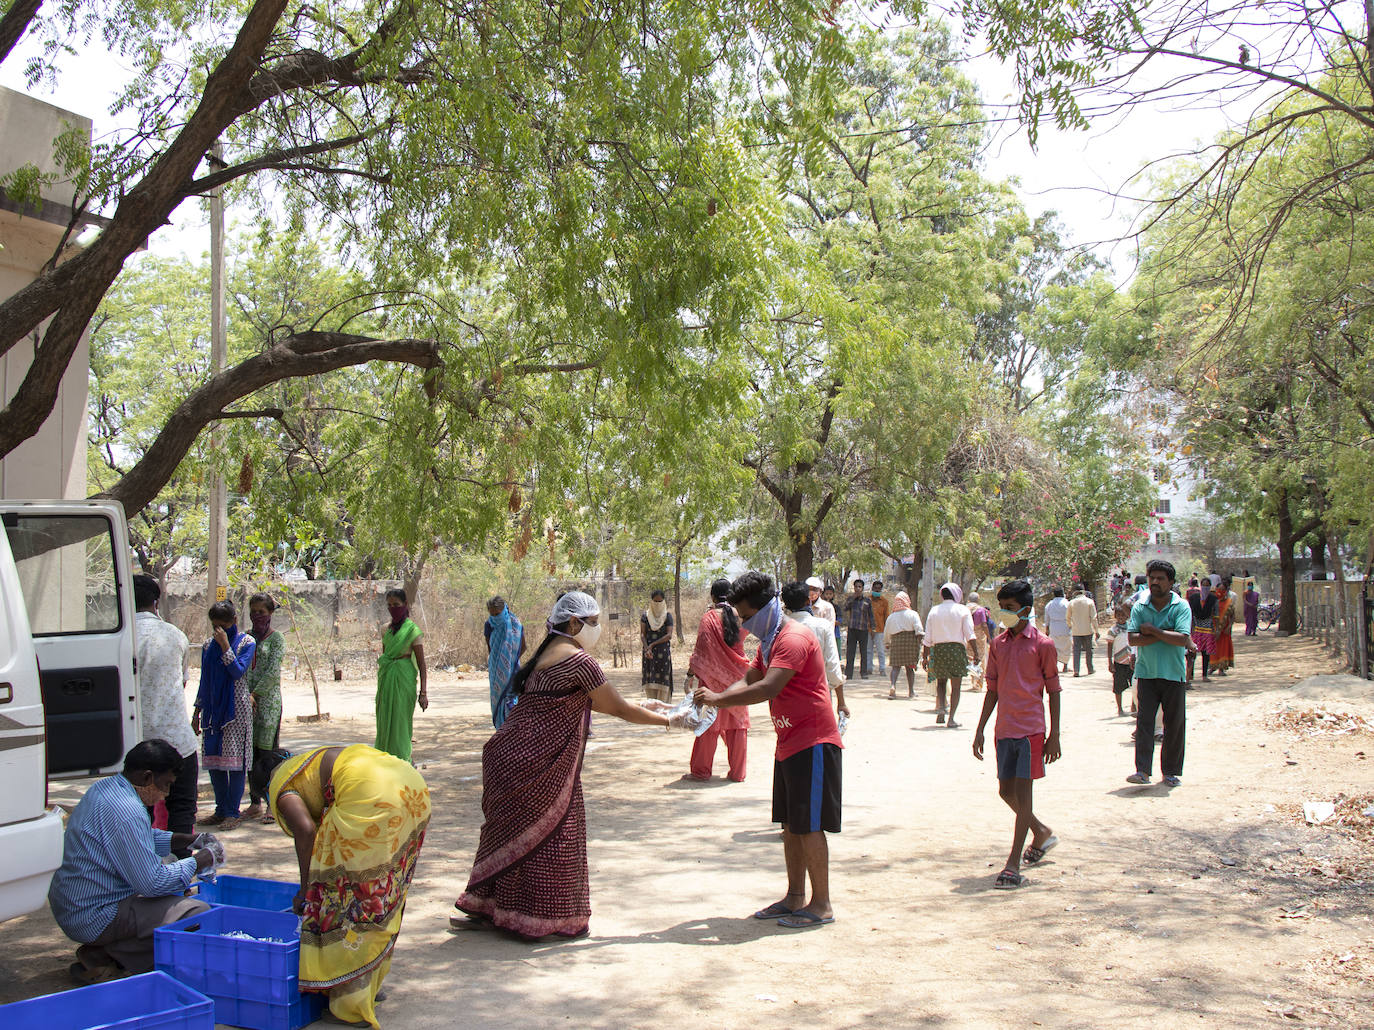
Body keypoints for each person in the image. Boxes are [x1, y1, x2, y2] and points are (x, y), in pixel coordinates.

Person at [455, 592, 689, 940]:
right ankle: (540, 918)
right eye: (592, 622)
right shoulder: (580, 661)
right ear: (575, 623)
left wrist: (652, 705)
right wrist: (670, 720)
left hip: (508, 755)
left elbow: (605, 702)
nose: (596, 628)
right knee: (554, 836)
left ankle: (493, 906)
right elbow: (619, 709)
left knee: (509, 835)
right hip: (534, 762)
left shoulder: (547, 652)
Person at [694, 572, 842, 929]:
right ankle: (794, 897)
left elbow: (769, 688)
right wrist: (716, 696)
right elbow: (751, 678)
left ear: (763, 608)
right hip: (789, 742)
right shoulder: (769, 641)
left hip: (814, 742)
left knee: (810, 826)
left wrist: (718, 697)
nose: (743, 623)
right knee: (791, 825)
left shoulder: (793, 637)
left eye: (746, 616)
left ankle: (821, 903)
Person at [269, 745, 431, 1029]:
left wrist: (305, 889)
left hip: (373, 797)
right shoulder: (306, 763)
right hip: (410, 788)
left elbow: (306, 831)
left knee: (346, 898)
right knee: (382, 894)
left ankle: (349, 1005)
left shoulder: (283, 789)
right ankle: (368, 986)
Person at [49, 740, 218, 983]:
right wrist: (201, 860)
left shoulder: (106, 788)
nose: (167, 794)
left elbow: (142, 838)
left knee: (172, 875)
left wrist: (190, 840)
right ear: (147, 776)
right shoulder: (127, 810)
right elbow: (152, 883)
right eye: (166, 785)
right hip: (93, 915)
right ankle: (108, 956)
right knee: (196, 913)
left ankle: (108, 951)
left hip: (76, 906)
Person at [971, 580, 1062, 890]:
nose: (1005, 614)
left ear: (1026, 610)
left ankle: (1012, 865)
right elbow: (992, 689)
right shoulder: (998, 645)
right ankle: (1041, 831)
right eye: (1003, 608)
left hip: (1030, 731)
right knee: (1005, 792)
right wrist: (981, 728)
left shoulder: (1043, 645)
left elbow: (1054, 690)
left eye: (1010, 609)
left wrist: (1054, 734)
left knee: (1024, 796)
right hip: (1004, 729)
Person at [132, 575, 198, 836]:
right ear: (156, 602)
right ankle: (182, 865)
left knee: (137, 815)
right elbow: (181, 683)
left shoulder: (121, 638)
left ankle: (142, 864)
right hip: (178, 741)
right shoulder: (176, 635)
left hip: (138, 744)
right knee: (182, 810)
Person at [1126, 560, 1193, 787]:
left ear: (1171, 582)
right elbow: (1133, 639)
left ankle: (1171, 772)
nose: (1154, 582)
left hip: (1174, 673)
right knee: (1144, 724)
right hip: (1146, 673)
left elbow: (1183, 639)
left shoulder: (1181, 606)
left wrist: (1153, 630)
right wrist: (1167, 633)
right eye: (1152, 577)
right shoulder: (1140, 606)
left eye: (1160, 578)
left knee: (1174, 725)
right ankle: (1142, 771)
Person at [193, 600, 255, 830]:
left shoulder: (247, 642)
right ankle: (220, 810)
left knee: (235, 763)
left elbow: (238, 671)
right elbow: (205, 679)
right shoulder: (208, 645)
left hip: (235, 711)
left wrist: (225, 647)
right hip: (212, 710)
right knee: (215, 762)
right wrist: (197, 711)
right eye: (215, 626)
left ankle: (233, 811)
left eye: (224, 625)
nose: (219, 630)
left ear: (234, 621)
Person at [685, 580, 752, 782]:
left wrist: (690, 675)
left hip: (710, 677)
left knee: (708, 724)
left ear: (713, 597)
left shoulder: (709, 618)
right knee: (737, 724)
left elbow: (701, 651)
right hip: (737, 677)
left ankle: (701, 771)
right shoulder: (740, 616)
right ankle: (738, 772)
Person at [244, 592, 286, 823]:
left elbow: (273, 672)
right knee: (250, 754)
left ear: (270, 613)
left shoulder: (277, 639)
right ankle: (254, 802)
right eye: (253, 611)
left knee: (268, 755)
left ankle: (272, 802)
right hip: (246, 705)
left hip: (267, 703)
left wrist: (255, 694)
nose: (256, 616)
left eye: (261, 611)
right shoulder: (247, 637)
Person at [780, 580, 849, 716]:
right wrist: (841, 702)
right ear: (807, 601)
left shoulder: (779, 629)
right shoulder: (822, 626)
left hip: (788, 696)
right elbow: (833, 665)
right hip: (817, 692)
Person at [375, 588, 428, 762]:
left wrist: (423, 693)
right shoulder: (385, 630)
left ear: (405, 605)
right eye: (389, 605)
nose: (393, 608)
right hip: (386, 679)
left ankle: (403, 758)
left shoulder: (413, 631)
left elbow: (421, 663)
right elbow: (385, 656)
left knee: (401, 721)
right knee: (384, 720)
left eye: (396, 605)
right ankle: (385, 758)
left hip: (404, 679)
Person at [922, 583, 977, 729]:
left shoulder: (934, 611)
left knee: (940, 682)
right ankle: (951, 718)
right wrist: (976, 653)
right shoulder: (962, 610)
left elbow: (927, 636)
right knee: (956, 685)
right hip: (956, 649)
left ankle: (941, 708)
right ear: (957, 594)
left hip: (939, 650)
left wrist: (924, 656)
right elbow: (970, 634)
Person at [485, 596, 527, 728]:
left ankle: (511, 729)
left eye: (497, 614)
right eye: (492, 614)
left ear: (504, 610)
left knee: (510, 700)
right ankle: (501, 729)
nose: (495, 616)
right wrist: (498, 664)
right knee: (497, 699)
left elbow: (523, 646)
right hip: (495, 670)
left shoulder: (515, 625)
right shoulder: (489, 625)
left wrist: (510, 660)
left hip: (513, 669)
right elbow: (491, 648)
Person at [883, 590, 924, 699]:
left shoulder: (891, 617)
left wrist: (887, 643)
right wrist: (920, 643)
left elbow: (886, 631)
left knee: (895, 667)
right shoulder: (913, 614)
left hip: (896, 643)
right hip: (910, 643)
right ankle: (911, 692)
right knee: (909, 668)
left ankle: (893, 686)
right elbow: (919, 630)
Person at [641, 589, 675, 698]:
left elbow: (669, 635)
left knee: (663, 681)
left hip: (663, 654)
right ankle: (651, 707)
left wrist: (653, 644)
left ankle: (663, 707)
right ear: (651, 602)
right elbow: (642, 634)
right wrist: (647, 648)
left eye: (660, 602)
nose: (657, 604)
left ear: (664, 602)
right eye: (655, 601)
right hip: (649, 654)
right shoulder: (645, 616)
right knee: (650, 680)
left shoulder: (667, 616)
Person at [1105, 601, 1136, 717]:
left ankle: (1134, 706)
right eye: (1119, 616)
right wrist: (1110, 662)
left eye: (1123, 615)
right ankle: (1120, 708)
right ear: (1115, 616)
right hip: (1119, 662)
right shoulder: (1113, 631)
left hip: (1131, 661)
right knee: (1118, 686)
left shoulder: (1131, 627)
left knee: (1135, 684)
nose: (1121, 618)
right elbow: (1109, 647)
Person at [842, 579, 873, 680]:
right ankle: (848, 674)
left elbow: (871, 615)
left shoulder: (867, 601)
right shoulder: (850, 599)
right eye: (856, 587)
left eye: (860, 587)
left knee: (863, 652)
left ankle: (864, 673)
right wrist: (852, 599)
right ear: (854, 588)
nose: (858, 589)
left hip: (863, 629)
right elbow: (845, 608)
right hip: (852, 629)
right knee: (850, 652)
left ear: (862, 588)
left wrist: (872, 628)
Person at [1186, 582, 1217, 681]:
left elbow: (1216, 615)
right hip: (1196, 629)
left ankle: (1204, 675)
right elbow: (1190, 613)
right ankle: (1190, 675)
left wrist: (1216, 629)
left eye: (1207, 585)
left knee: (1206, 654)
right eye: (1203, 585)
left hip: (1208, 629)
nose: (1205, 588)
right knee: (1192, 653)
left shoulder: (1213, 599)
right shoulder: (1193, 598)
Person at [1067, 585, 1099, 677]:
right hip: (1088, 630)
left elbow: (1068, 617)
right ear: (1083, 591)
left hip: (1076, 631)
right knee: (1089, 650)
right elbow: (1094, 618)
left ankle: (1076, 670)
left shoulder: (1071, 603)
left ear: (1075, 592)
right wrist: (1096, 630)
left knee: (1076, 651)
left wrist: (1070, 626)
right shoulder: (1090, 602)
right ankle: (1090, 669)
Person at [1041, 586, 1071, 673]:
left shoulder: (1050, 604)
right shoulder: (1067, 603)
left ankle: (1055, 666)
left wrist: (1047, 629)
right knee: (1066, 647)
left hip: (1053, 627)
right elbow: (1070, 616)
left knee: (1054, 648)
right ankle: (1065, 666)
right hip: (1065, 627)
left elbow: (1047, 618)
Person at [967, 591, 991, 691]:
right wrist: (989, 636)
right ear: (978, 599)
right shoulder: (980, 610)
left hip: (968, 635)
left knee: (971, 658)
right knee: (980, 658)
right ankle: (979, 683)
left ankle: (973, 682)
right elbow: (984, 625)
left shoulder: (964, 608)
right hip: (979, 636)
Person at [1212, 576, 1236, 674]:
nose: (1220, 591)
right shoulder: (1213, 602)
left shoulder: (1229, 602)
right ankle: (1212, 667)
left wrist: (1229, 626)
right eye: (1219, 589)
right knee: (1213, 649)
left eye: (1223, 589)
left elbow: (1232, 616)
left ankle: (1221, 668)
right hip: (1214, 630)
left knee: (1223, 649)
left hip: (1224, 630)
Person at [868, 580, 889, 677]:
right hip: (868, 629)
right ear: (872, 589)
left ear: (881, 590)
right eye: (875, 588)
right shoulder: (868, 600)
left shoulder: (884, 601)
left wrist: (886, 631)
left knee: (880, 650)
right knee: (868, 650)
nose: (877, 590)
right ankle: (868, 668)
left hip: (880, 629)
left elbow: (886, 617)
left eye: (879, 588)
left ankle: (882, 669)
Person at [822, 584, 842, 652]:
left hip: (835, 634)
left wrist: (829, 621)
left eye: (830, 594)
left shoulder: (836, 607)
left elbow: (839, 622)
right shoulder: (820, 607)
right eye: (826, 594)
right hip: (822, 634)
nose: (828, 596)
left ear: (833, 595)